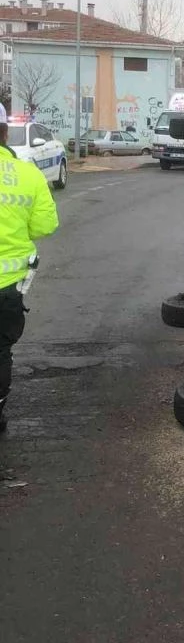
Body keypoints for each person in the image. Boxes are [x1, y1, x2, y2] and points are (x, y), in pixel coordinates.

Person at [0, 105, 59, 433]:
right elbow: (46, 225)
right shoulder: (28, 174)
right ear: (5, 132)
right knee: (0, 351)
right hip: (8, 286)